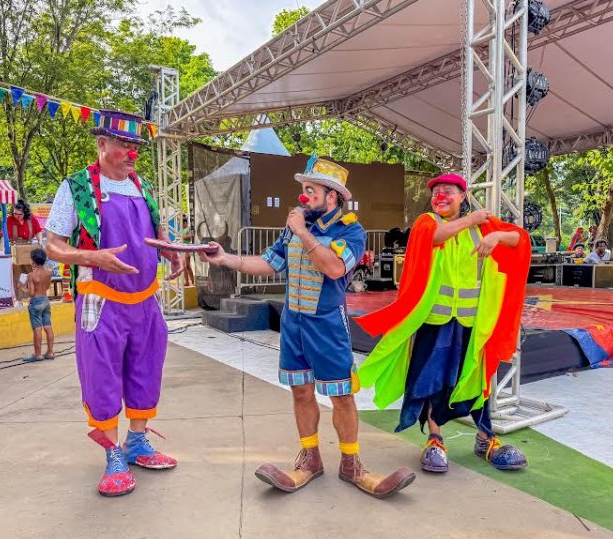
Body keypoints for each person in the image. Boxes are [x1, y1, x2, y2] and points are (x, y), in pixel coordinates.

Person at [200, 156, 415, 499]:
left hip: (328, 324)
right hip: (293, 322)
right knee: (301, 390)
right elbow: (268, 263)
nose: (303, 197)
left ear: (332, 197)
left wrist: (302, 230)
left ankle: (351, 462)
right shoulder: (294, 227)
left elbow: (333, 269)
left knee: (341, 395)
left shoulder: (350, 230)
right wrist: (225, 258)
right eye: (303, 190)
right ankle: (310, 458)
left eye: (311, 191)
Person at [45, 109, 183, 498]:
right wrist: (92, 258)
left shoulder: (144, 187)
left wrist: (172, 252)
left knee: (145, 368)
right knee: (101, 375)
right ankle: (112, 454)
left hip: (144, 299)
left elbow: (155, 235)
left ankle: (137, 443)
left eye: (135, 146)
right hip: (100, 299)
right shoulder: (75, 187)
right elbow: (52, 245)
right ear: (101, 144)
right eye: (124, 144)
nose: (131, 153)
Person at [356, 173, 531, 473]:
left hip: (472, 324)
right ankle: (435, 439)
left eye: (448, 191)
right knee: (432, 380)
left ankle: (485, 439)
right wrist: (473, 219)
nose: (441, 196)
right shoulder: (428, 223)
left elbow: (520, 240)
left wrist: (496, 235)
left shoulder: (482, 227)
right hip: (434, 321)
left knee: (478, 381)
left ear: (462, 196)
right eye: (436, 192)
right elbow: (434, 238)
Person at [22, 248, 55, 362]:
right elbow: (46, 287)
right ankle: (50, 352)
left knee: (37, 329)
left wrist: (21, 288)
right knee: (48, 326)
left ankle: (38, 354)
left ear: (33, 261)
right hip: (45, 300)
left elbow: (31, 293)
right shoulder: (49, 272)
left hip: (36, 301)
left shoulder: (31, 275)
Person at [181, 215, 195, 287]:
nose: (181, 225)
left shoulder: (188, 229)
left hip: (187, 248)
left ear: (185, 223)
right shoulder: (181, 230)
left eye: (182, 223)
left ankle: (193, 281)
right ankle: (187, 282)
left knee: (187, 266)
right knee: (184, 267)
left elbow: (190, 237)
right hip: (182, 249)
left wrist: (181, 237)